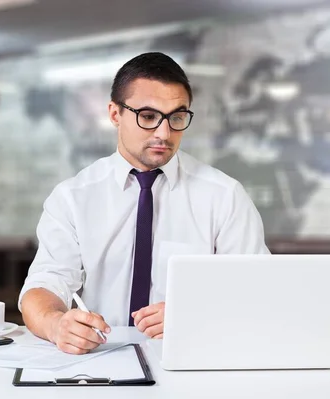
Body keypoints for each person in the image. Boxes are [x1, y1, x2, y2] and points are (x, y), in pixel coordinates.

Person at [19, 52, 269, 355]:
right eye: (148, 117)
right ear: (114, 114)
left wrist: (198, 313)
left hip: (194, 356)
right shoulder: (73, 197)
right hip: (100, 359)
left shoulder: (224, 196)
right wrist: (56, 325)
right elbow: (43, 285)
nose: (164, 133)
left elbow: (257, 289)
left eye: (177, 117)